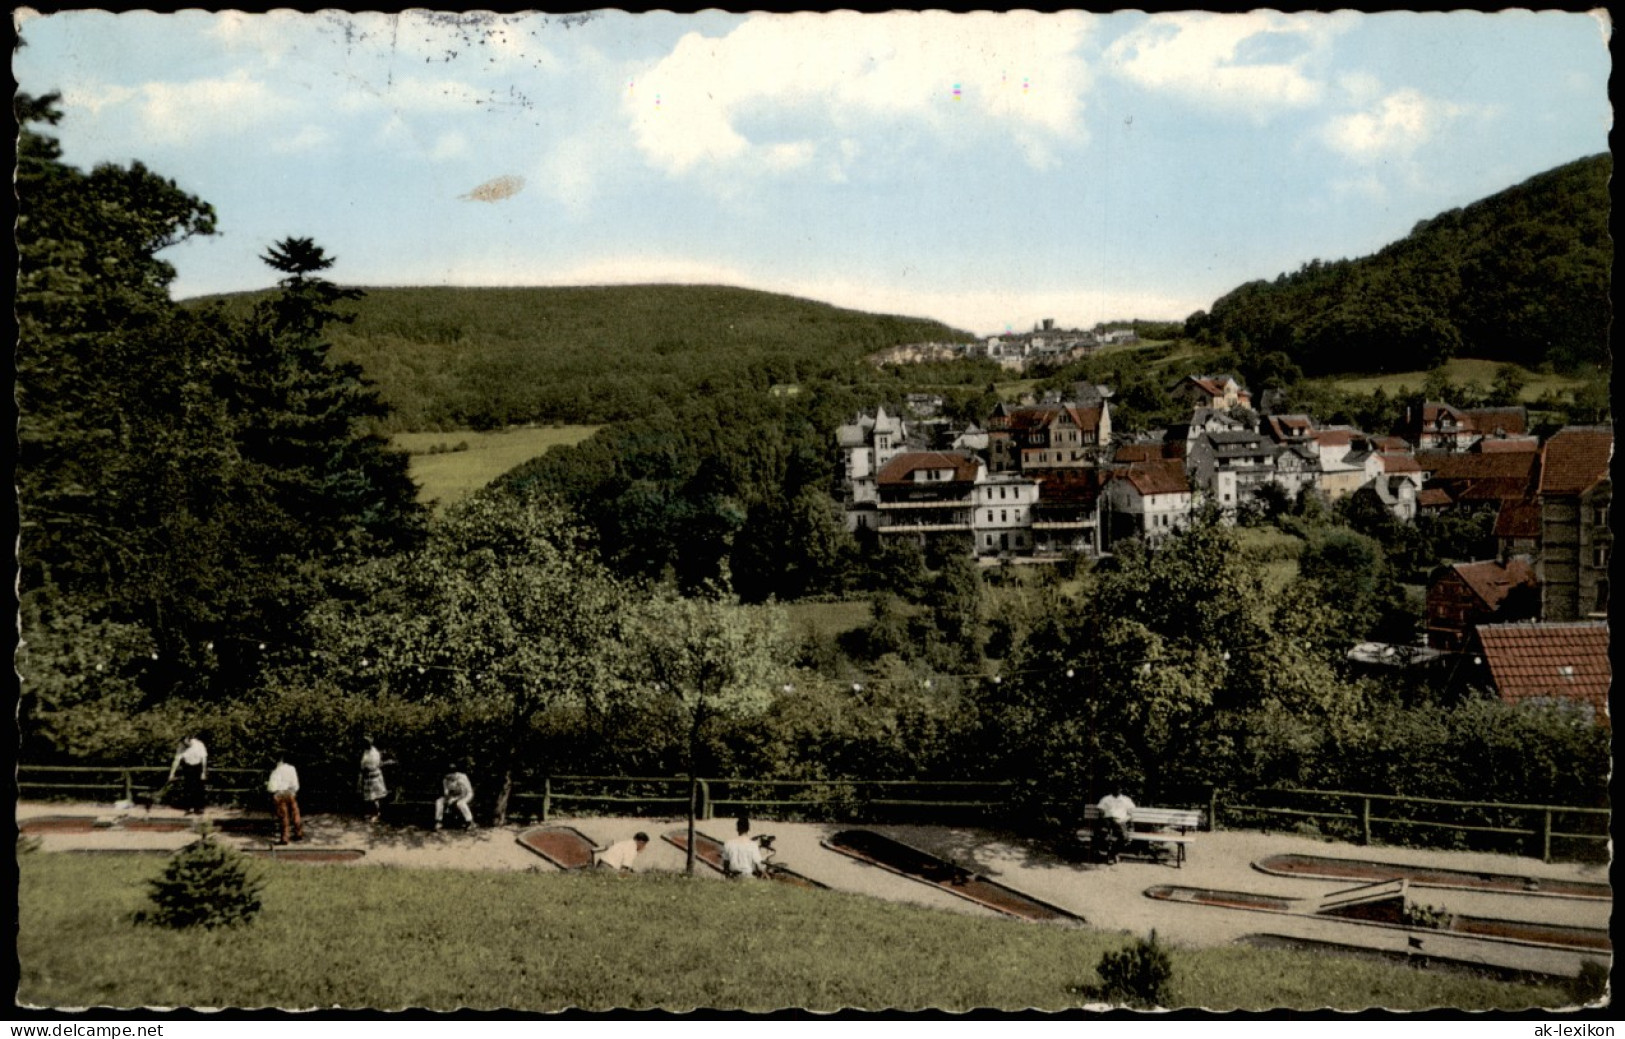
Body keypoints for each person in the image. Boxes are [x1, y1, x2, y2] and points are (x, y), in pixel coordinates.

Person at [268, 755, 304, 845]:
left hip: (280, 794)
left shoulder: (275, 772)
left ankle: (285, 838)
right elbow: (295, 784)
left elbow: (272, 788)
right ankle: (298, 833)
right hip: (290, 793)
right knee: (295, 813)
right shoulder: (291, 768)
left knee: (284, 817)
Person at [167, 736, 208, 815]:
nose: (186, 745)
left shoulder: (199, 745)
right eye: (184, 744)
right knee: (188, 788)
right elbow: (177, 760)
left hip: (198, 767)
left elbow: (204, 759)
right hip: (188, 767)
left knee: (199, 788)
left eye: (187, 743)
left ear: (190, 740)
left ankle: (199, 808)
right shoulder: (181, 746)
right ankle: (189, 808)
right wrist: (172, 773)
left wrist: (203, 772)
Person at [1095, 787, 1136, 864]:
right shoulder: (1106, 799)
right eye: (1115, 788)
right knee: (1102, 835)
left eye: (1119, 788)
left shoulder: (1126, 800)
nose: (1117, 790)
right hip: (1108, 821)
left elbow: (1130, 814)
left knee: (1124, 837)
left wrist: (1123, 820)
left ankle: (1113, 853)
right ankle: (1111, 855)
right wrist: (1105, 821)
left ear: (1121, 789)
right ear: (1111, 789)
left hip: (1120, 821)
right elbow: (1101, 812)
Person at [358, 737, 392, 822]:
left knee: (376, 797)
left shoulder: (375, 753)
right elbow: (363, 764)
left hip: (374, 776)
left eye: (367, 743)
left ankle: (377, 814)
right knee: (369, 797)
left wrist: (367, 768)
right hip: (367, 776)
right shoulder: (366, 752)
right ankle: (371, 813)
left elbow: (375, 765)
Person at [434, 765, 476, 831]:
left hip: (466, 794)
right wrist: (448, 798)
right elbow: (446, 792)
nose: (448, 778)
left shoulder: (462, 777)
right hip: (453, 795)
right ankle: (439, 821)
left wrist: (454, 799)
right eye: (447, 776)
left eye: (450, 776)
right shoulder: (445, 779)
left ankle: (470, 822)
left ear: (454, 773)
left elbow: (464, 793)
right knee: (439, 801)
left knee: (460, 803)